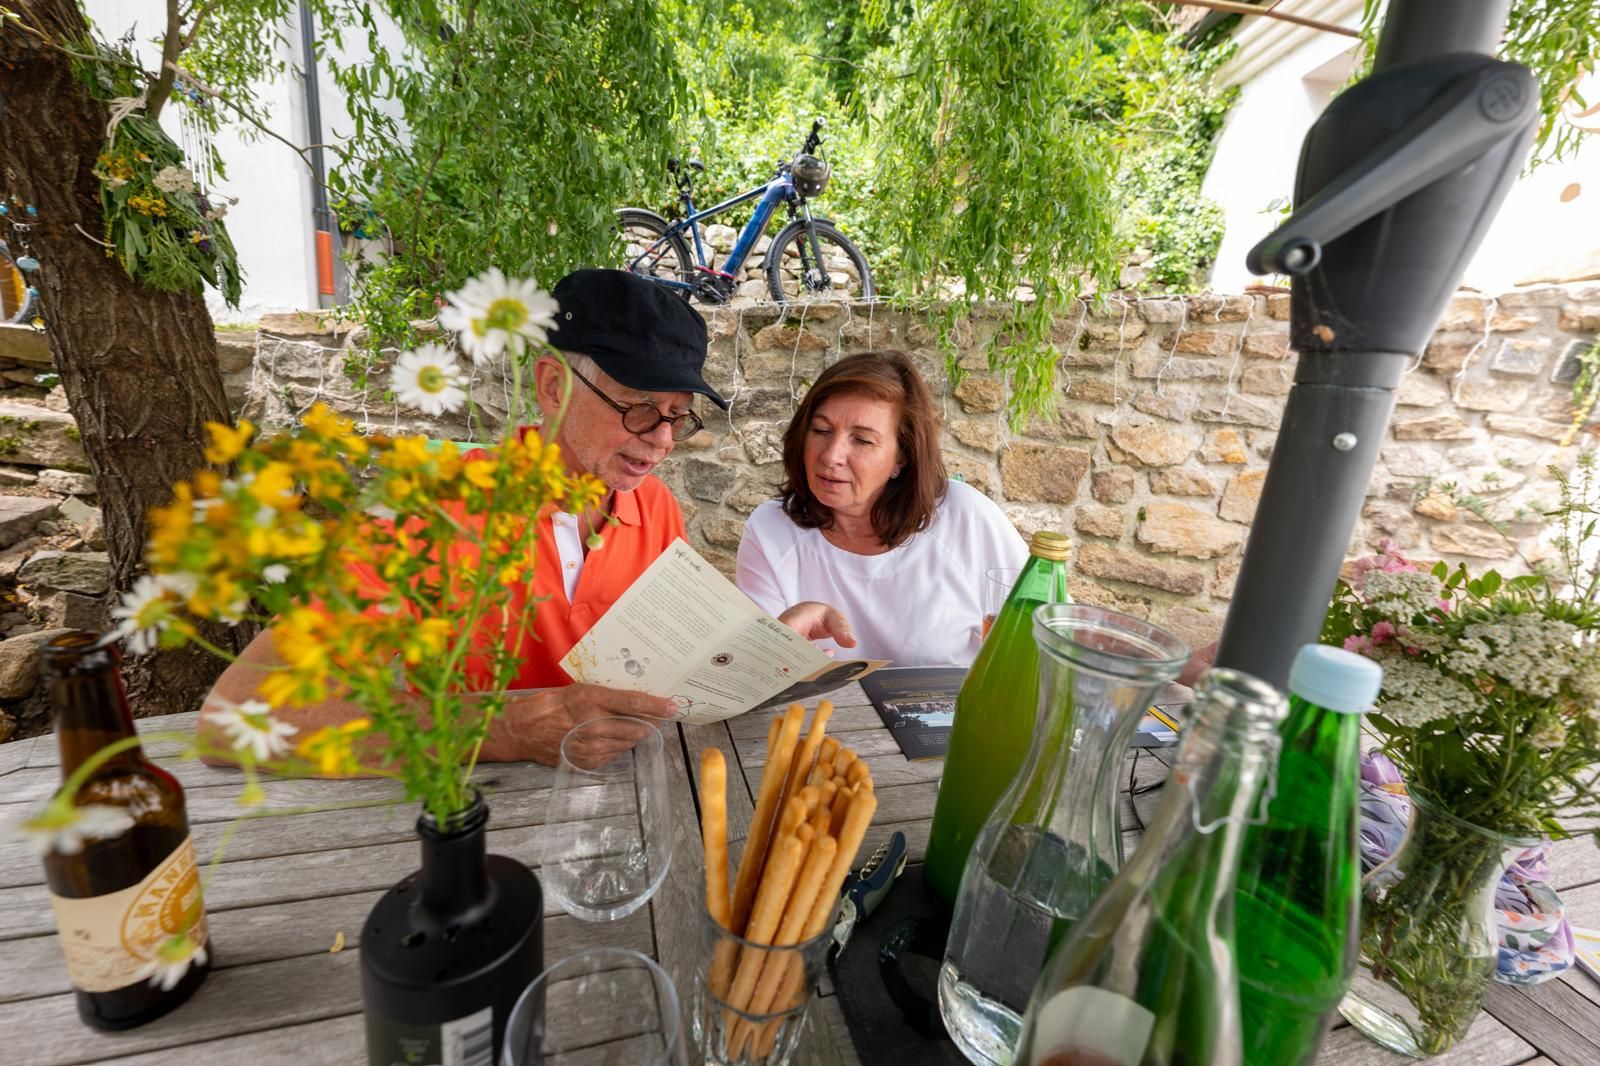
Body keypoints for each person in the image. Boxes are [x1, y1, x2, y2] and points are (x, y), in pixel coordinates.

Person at [200, 269, 843, 767]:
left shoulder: (655, 508)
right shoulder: (436, 509)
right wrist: (505, 728)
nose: (663, 440)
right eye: (641, 407)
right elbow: (234, 717)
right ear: (553, 385)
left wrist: (765, 646)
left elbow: (670, 664)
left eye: (678, 416)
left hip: (636, 808)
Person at [736, 350, 1029, 667]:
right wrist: (776, 644)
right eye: (821, 431)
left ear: (901, 458)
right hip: (817, 717)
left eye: (862, 440)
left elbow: (1047, 639)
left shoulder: (965, 517)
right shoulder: (769, 530)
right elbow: (752, 676)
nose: (832, 455)